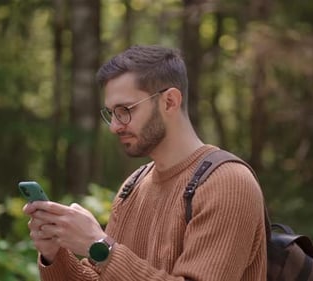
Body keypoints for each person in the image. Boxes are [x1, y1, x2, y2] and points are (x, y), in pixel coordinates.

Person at [23, 45, 267, 281]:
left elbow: (109, 259)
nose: (115, 126)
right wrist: (54, 255)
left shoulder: (228, 184)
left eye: (125, 110)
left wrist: (100, 247)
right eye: (111, 113)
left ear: (169, 101)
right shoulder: (133, 187)